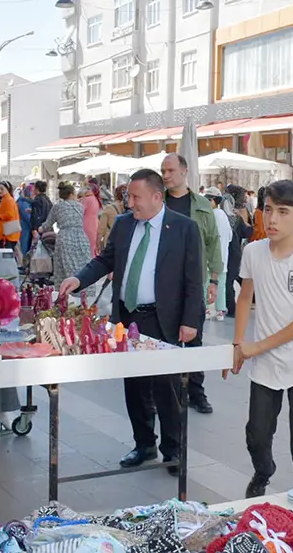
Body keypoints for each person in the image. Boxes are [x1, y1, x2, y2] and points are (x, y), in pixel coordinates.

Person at [59, 169, 202, 472]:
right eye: (128, 196)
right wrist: (79, 279)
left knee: (168, 389)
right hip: (127, 317)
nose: (130, 203)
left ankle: (174, 450)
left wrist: (191, 321)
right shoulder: (124, 225)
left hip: (163, 318)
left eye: (136, 197)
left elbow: (193, 279)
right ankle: (144, 445)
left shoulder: (184, 228)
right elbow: (105, 260)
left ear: (156, 196)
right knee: (134, 387)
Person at [227, 179, 293, 498]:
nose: (272, 220)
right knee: (256, 434)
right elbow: (244, 298)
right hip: (265, 361)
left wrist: (254, 346)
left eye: (283, 212)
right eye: (268, 210)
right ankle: (263, 470)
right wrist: (238, 344)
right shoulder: (253, 251)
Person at [161, 153, 222, 414]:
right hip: (161, 286)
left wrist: (215, 280)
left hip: (193, 284)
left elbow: (213, 242)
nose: (165, 175)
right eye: (163, 171)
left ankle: (196, 393)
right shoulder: (157, 203)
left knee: (194, 342)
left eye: (171, 170)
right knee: (163, 342)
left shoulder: (201, 205)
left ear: (184, 172)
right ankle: (167, 394)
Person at [40, 182, 91, 288]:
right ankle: (82, 289)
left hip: (65, 237)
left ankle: (64, 291)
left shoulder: (57, 207)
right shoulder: (80, 206)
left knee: (63, 267)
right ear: (72, 194)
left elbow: (47, 224)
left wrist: (40, 229)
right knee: (81, 265)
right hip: (81, 236)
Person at [223, 185, 254, 317]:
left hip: (228, 252)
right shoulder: (236, 217)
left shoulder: (222, 216)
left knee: (230, 280)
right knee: (237, 277)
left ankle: (232, 309)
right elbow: (248, 232)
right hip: (236, 251)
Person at [204, 187, 232, 321]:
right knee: (221, 284)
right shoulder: (224, 216)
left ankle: (206, 309)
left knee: (206, 282)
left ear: (214, 200)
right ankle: (220, 311)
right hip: (223, 257)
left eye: (208, 199)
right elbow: (230, 236)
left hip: (211, 256)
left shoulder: (211, 215)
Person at [97, 184, 126, 252]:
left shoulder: (109, 208)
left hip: (110, 240)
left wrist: (98, 243)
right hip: (124, 241)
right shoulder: (131, 209)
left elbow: (101, 229)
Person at [0, 180, 21, 250]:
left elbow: (10, 215)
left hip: (7, 234)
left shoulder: (8, 200)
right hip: (9, 233)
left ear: (7, 189)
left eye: (2, 189)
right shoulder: (7, 199)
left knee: (6, 256)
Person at [81, 182, 102, 257]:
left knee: (86, 247)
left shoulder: (87, 199)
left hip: (86, 224)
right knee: (93, 247)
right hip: (94, 224)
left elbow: (80, 211)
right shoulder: (95, 199)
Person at [17, 185, 33, 256]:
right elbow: (28, 218)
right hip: (24, 229)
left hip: (24, 229)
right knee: (23, 248)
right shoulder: (23, 203)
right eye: (32, 191)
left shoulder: (26, 202)